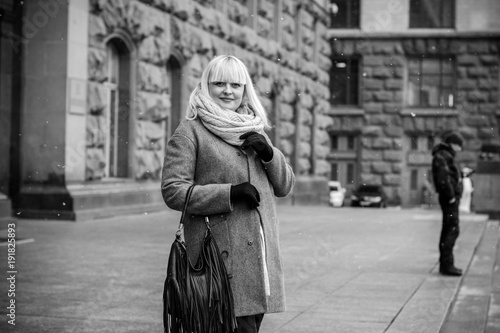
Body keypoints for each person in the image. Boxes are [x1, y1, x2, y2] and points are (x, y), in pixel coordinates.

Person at [161, 55, 295, 332]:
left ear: (245, 89)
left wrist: (270, 154)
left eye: (236, 84)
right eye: (219, 83)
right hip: (218, 261)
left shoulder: (253, 129)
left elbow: (285, 186)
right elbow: (173, 190)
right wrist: (229, 193)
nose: (227, 91)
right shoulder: (191, 132)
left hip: (258, 264)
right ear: (206, 86)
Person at [431, 131, 464, 276]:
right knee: (452, 229)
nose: (460, 149)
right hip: (449, 199)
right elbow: (443, 178)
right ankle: (446, 265)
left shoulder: (446, 155)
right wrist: (451, 196)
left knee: (449, 229)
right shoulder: (443, 155)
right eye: (459, 145)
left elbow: (449, 175)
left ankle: (446, 264)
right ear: (453, 144)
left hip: (450, 198)